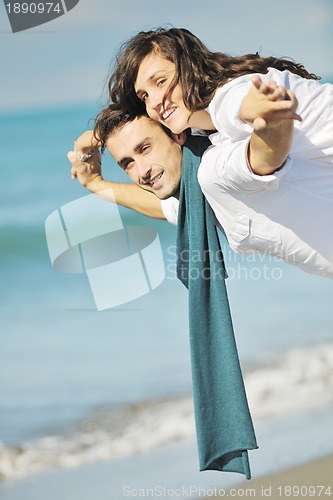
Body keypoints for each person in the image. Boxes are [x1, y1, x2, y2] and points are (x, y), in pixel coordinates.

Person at [104, 27, 333, 277]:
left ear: (190, 68)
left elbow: (240, 106)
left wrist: (259, 110)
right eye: (145, 96)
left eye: (161, 81)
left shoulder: (229, 96)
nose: (155, 101)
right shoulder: (206, 139)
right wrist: (94, 174)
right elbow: (170, 205)